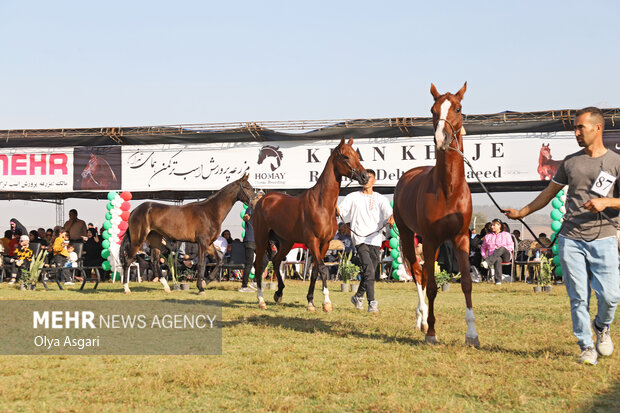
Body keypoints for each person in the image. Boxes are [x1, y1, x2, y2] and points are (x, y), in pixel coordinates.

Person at [504, 107, 620, 365]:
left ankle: (602, 326)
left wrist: (607, 202)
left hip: (605, 237)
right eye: (575, 128)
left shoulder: (616, 162)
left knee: (611, 296)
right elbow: (548, 194)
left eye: (581, 127)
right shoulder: (570, 162)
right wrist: (522, 211)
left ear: (598, 128)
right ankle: (586, 346)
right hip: (571, 237)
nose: (576, 132)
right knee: (578, 296)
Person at [337, 169, 393, 313]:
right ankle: (372, 302)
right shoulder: (352, 197)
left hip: (375, 239)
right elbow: (341, 211)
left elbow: (389, 213)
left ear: (374, 180)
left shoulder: (381, 198)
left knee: (371, 272)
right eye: (365, 177)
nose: (367, 180)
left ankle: (358, 296)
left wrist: (391, 218)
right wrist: (334, 206)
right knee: (368, 270)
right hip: (360, 238)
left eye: (370, 177)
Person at [240, 190, 265, 292]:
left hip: (259, 241)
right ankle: (244, 286)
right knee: (249, 263)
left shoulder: (263, 211)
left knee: (265, 260)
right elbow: (246, 217)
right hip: (250, 240)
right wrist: (246, 218)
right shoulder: (251, 209)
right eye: (258, 198)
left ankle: (255, 281)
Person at [480, 218, 513, 284]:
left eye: (494, 225)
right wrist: (484, 256)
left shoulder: (506, 234)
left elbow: (511, 246)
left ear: (499, 226)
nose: (492, 227)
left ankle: (487, 262)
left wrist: (499, 249)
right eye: (491, 225)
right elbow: (483, 248)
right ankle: (498, 281)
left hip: (506, 255)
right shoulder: (488, 236)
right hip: (494, 257)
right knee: (498, 259)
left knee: (502, 248)